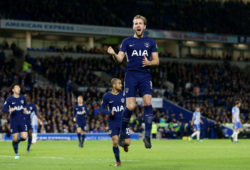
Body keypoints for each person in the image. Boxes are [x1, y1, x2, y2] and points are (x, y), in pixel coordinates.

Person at [107, 15, 159, 149]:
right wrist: (113, 53)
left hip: (145, 76)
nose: (138, 25)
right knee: (130, 106)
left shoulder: (151, 42)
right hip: (131, 76)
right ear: (133, 26)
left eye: (140, 23)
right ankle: (123, 133)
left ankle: (147, 136)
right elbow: (119, 59)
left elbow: (156, 61)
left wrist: (149, 63)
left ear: (144, 26)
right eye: (135, 23)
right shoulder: (126, 41)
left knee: (148, 102)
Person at [101, 78, 130, 166]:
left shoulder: (124, 95)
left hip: (123, 122)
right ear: (114, 85)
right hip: (113, 122)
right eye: (119, 83)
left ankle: (124, 145)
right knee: (115, 142)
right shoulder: (107, 96)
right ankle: (118, 161)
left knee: (127, 142)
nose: (121, 85)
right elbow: (101, 109)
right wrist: (109, 112)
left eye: (121, 83)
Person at [2, 83, 28, 159]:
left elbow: (25, 106)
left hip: (22, 120)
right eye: (16, 88)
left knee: (24, 137)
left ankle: (18, 142)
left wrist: (25, 109)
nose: (18, 89)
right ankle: (16, 153)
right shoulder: (9, 99)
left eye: (19, 88)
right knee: (15, 138)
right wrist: (9, 110)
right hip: (14, 121)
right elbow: (4, 109)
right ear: (13, 90)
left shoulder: (23, 98)